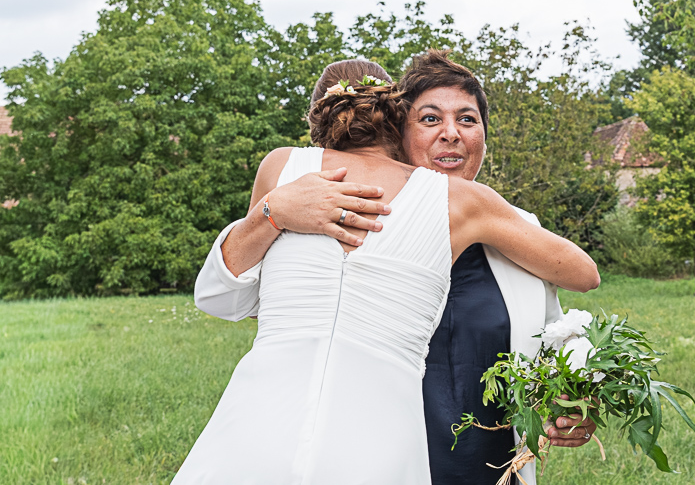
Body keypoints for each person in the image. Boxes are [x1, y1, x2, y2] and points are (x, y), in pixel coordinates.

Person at [176, 59, 599, 484]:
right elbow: (247, 298)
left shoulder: (515, 228)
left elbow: (562, 325)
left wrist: (573, 399)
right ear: (398, 125)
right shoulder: (302, 195)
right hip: (379, 447)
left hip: (481, 468)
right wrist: (276, 213)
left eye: (467, 119)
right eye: (430, 118)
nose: (450, 133)